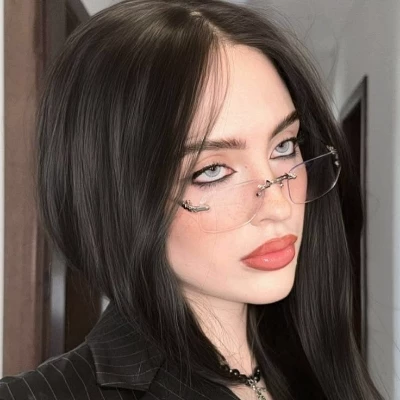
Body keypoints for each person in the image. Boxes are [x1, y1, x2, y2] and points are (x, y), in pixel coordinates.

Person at [0, 0, 385, 399]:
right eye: (212, 170)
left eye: (284, 146)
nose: (278, 206)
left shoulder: (316, 362)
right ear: (115, 197)